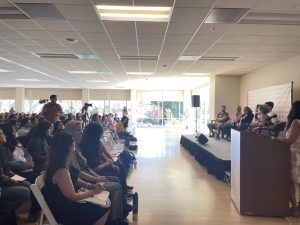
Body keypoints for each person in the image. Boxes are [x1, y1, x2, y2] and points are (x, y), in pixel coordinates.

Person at [65, 120, 128, 224]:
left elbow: (85, 169)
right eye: (78, 130)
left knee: (116, 177)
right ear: (69, 132)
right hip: (82, 183)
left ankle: (117, 214)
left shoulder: (76, 147)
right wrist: (95, 181)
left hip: (87, 178)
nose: (81, 132)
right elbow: (78, 173)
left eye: (81, 129)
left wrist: (97, 178)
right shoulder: (72, 150)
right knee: (116, 185)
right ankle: (115, 218)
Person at [42, 132, 110, 225]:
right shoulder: (61, 171)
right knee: (103, 208)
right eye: (72, 143)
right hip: (64, 212)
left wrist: (90, 186)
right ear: (68, 147)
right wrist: (93, 192)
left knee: (100, 205)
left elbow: (72, 180)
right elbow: (73, 197)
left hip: (59, 207)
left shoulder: (55, 164)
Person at [270, 101, 300, 217]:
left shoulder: (296, 122)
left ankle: (295, 209)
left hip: (295, 155)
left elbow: (290, 140)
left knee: (289, 181)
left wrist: (274, 138)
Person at [0, 128, 30, 211]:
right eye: (2, 134)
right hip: (1, 187)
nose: (4, 135)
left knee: (27, 184)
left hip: (4, 183)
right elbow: (1, 177)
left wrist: (18, 179)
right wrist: (14, 182)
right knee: (25, 192)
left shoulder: (2, 149)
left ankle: (10, 212)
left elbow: (7, 171)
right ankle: (7, 211)